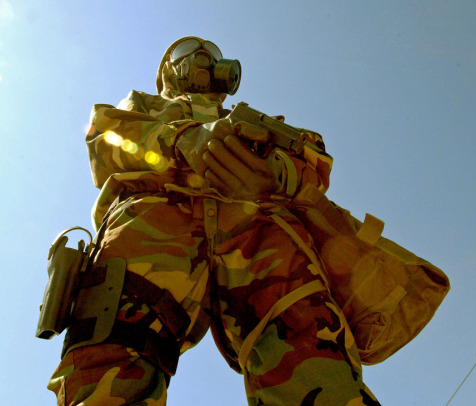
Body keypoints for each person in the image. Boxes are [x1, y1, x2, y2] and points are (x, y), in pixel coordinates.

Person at [47, 36, 381, 406]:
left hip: (260, 233)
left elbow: (313, 161)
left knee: (313, 357)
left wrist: (273, 171)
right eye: (187, 54)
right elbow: (106, 140)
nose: (204, 59)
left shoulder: (252, 122)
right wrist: (180, 140)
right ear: (169, 71)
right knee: (114, 346)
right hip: (155, 224)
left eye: (213, 55)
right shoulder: (146, 106)